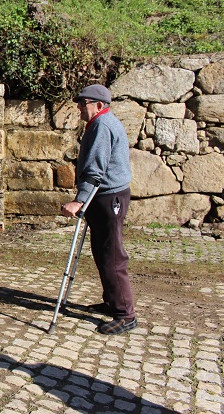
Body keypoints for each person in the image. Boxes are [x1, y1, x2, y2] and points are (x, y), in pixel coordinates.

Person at [61, 84, 137, 335]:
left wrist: (78, 201)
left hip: (107, 197)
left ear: (99, 105)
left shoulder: (102, 126)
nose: (80, 108)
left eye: (84, 103)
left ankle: (125, 314)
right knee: (103, 251)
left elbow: (95, 169)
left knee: (112, 255)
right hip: (105, 196)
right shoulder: (101, 123)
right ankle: (112, 301)